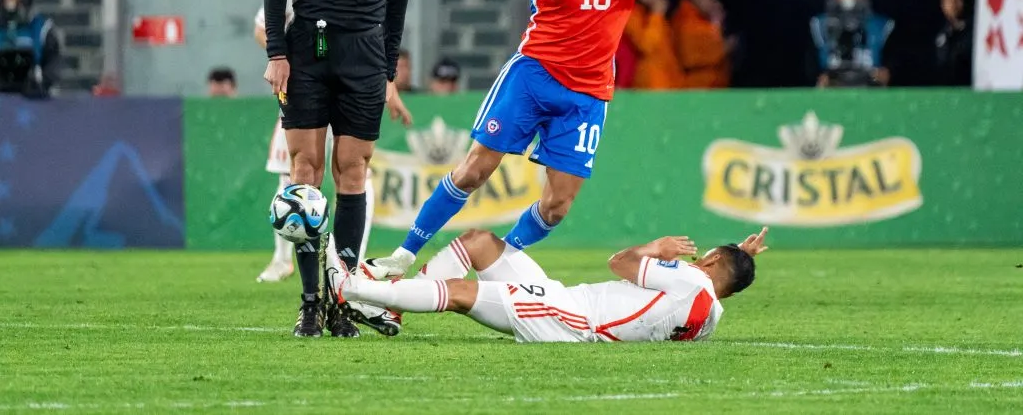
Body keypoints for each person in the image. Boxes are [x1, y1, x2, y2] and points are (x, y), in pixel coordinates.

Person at [362, 0, 714, 281]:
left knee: (557, 206)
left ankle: (500, 259)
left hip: (586, 95)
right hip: (532, 78)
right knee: (474, 171)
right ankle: (403, 255)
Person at [262, 0, 417, 338]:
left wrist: (388, 72)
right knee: (304, 171)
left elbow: (397, 3)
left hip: (364, 57)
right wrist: (277, 53)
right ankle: (310, 302)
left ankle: (341, 297)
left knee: (353, 171)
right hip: (309, 50)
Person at [328, 226, 767, 343]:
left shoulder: (690, 278)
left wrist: (655, 247)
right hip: (568, 303)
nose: (693, 258)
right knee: (480, 244)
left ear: (711, 261)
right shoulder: (710, 318)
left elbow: (619, 263)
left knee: (460, 294)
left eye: (705, 256)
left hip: (570, 318)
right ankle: (391, 308)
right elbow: (722, 281)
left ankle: (352, 289)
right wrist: (741, 258)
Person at [810, 0, 893, 87]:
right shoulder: (818, 24)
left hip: (869, 85)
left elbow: (895, 60)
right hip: (833, 85)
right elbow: (808, 63)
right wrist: (819, 76)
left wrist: (887, 72)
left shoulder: (882, 24)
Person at [0, 0, 60, 98]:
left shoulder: (42, 29)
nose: (12, 3)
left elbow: (53, 63)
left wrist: (43, 82)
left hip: (32, 95)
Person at [934, 0, 972, 87]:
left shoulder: (974, 30)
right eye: (949, 1)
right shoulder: (939, 33)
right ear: (942, 5)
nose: (953, 5)